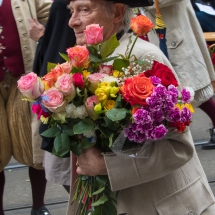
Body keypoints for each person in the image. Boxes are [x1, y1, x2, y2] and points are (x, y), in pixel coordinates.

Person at [66, 0, 215, 214]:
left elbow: (179, 148)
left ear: (117, 12)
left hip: (162, 205)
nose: (72, 21)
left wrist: (106, 167)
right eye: (71, 11)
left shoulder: (143, 56)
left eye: (84, 9)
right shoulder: (86, 60)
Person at [0, 0, 52, 215]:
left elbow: (58, 16)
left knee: (34, 144)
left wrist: (43, 33)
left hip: (22, 78)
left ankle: (38, 206)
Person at [143, 0, 215, 150]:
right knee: (183, 92)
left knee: (184, 90)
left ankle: (178, 139)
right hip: (159, 35)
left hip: (173, 38)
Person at [31, 0, 77, 193]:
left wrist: (43, 38)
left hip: (73, 87)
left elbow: (62, 40)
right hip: (59, 85)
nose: (76, 19)